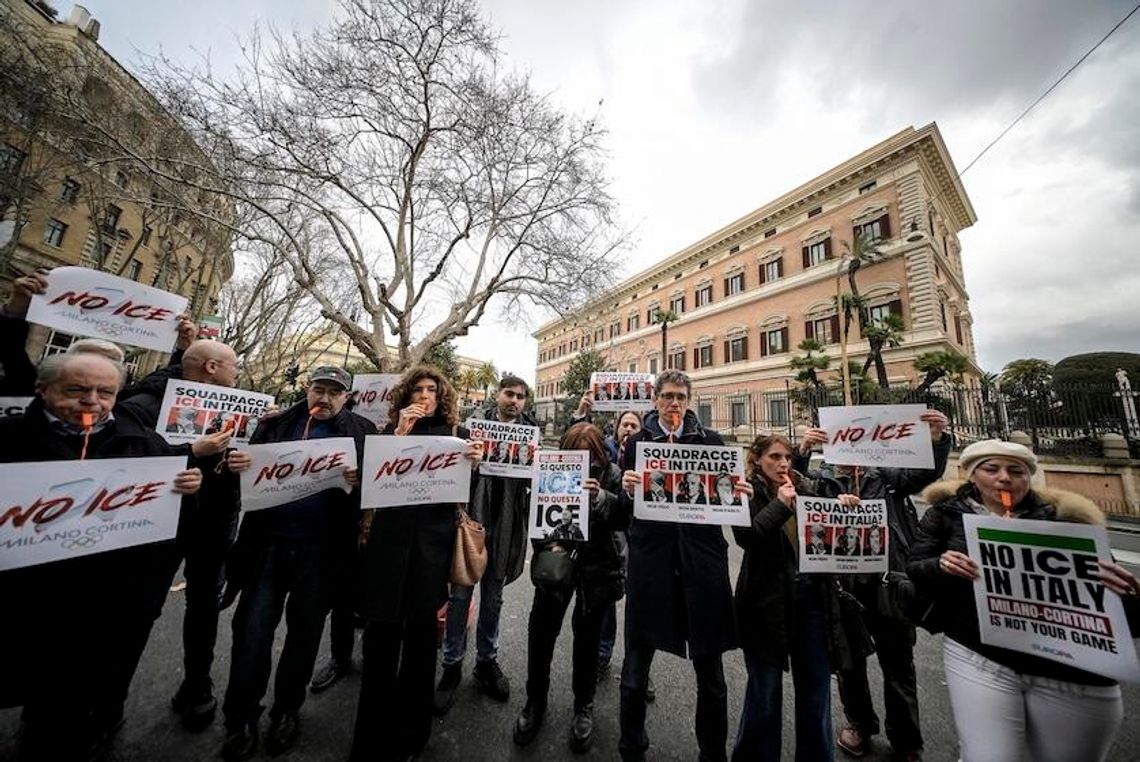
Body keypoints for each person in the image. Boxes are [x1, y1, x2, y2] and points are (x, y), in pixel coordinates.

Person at [0, 352, 203, 761]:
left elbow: (167, 529)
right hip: (17, 600)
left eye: (105, 392)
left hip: (96, 606)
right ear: (43, 390)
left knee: (61, 716)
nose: (92, 400)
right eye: (76, 390)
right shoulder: (8, 437)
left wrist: (186, 489)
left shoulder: (144, 443)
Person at [908, 439, 1140, 762]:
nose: (1005, 478)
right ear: (971, 475)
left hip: (1066, 670)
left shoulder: (1068, 521)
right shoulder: (945, 514)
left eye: (1016, 471)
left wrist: (1126, 593)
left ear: (1030, 477)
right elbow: (916, 570)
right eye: (992, 469)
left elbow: (1123, 618)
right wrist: (942, 566)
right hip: (980, 653)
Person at [219, 366, 376, 761]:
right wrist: (235, 466)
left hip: (323, 552)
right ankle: (240, 719)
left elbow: (375, 494)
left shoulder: (362, 432)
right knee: (251, 633)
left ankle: (287, 710)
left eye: (334, 392)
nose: (324, 398)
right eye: (318, 390)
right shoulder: (274, 424)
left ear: (347, 397)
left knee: (304, 635)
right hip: (267, 547)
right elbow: (238, 476)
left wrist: (361, 482)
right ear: (307, 390)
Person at [617, 369, 754, 762]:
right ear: (656, 400)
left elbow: (728, 507)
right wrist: (627, 491)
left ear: (689, 400)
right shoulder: (637, 443)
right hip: (651, 563)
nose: (673, 402)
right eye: (667, 396)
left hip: (701, 565)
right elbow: (627, 511)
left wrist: (739, 493)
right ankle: (631, 747)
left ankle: (712, 753)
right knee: (635, 670)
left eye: (680, 396)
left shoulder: (713, 442)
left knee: (711, 674)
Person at [797, 409, 950, 760]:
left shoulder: (888, 476)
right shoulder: (821, 479)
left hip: (888, 580)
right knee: (849, 662)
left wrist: (937, 440)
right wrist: (803, 450)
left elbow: (925, 473)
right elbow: (792, 484)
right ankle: (860, 723)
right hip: (842, 584)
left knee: (898, 663)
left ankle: (907, 739)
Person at [350, 366, 483, 761]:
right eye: (418, 389)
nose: (425, 396)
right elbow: (366, 486)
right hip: (386, 551)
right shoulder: (385, 436)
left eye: (432, 390)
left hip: (431, 552)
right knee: (380, 645)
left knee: (423, 647)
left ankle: (412, 736)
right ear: (405, 396)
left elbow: (461, 497)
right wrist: (398, 438)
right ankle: (370, 737)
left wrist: (472, 465)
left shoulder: (457, 439)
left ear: (442, 397)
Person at [115, 338, 244, 731]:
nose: (237, 373)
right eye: (232, 367)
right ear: (210, 368)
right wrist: (190, 451)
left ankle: (197, 686)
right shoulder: (144, 405)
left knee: (205, 605)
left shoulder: (238, 408)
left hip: (216, 520)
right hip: (158, 523)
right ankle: (108, 702)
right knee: (138, 610)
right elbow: (121, 459)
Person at [732, 433, 858, 762]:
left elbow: (830, 535)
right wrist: (779, 505)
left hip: (812, 602)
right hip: (765, 604)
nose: (783, 463)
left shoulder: (807, 489)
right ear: (757, 459)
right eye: (774, 457)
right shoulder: (747, 491)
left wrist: (843, 510)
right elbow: (748, 537)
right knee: (765, 691)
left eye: (787, 457)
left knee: (816, 690)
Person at [515, 423, 626, 752]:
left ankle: (583, 707)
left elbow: (624, 518)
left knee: (588, 640)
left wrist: (601, 497)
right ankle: (535, 702)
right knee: (541, 634)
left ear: (599, 456)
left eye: (590, 457)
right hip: (556, 565)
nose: (584, 462)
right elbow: (534, 513)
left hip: (597, 568)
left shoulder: (613, 473)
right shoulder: (548, 470)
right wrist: (547, 545)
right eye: (576, 455)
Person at [436, 375, 538, 713]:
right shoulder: (470, 429)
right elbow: (450, 474)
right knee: (460, 595)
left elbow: (538, 486)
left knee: (494, 597)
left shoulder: (531, 433)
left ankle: (486, 661)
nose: (515, 400)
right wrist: (472, 465)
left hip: (508, 526)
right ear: (497, 394)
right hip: (472, 522)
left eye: (521, 396)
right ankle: (451, 665)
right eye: (509, 393)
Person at [597, 411, 643, 681]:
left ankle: (637, 667)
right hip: (612, 530)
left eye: (634, 425)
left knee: (637, 599)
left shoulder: (647, 450)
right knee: (608, 595)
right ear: (616, 428)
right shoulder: (605, 451)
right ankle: (603, 654)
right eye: (624, 424)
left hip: (637, 530)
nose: (628, 428)